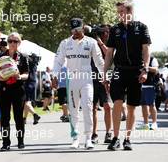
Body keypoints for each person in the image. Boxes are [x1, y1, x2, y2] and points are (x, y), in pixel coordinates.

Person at [103, 1, 151, 150]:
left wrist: (145, 69)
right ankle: (116, 138)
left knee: (131, 107)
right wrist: (105, 74)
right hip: (119, 70)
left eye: (122, 11)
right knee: (117, 103)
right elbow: (110, 53)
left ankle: (127, 139)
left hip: (136, 70)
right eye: (118, 12)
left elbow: (146, 50)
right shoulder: (115, 29)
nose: (120, 15)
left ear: (130, 12)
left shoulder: (141, 27)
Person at [52, 18, 104, 149]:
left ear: (83, 28)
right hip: (72, 79)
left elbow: (99, 61)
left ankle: (88, 138)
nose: (75, 32)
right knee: (73, 110)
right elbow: (58, 61)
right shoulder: (65, 43)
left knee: (87, 107)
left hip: (86, 79)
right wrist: (54, 76)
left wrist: (105, 76)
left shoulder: (91, 42)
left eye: (78, 30)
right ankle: (75, 138)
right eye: (73, 30)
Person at [0, 32, 29, 151]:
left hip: (18, 90)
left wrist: (19, 76)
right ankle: (6, 143)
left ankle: (20, 141)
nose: (12, 43)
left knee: (18, 117)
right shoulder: (1, 56)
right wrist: (2, 78)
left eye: (15, 41)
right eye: (10, 41)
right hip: (4, 90)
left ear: (19, 43)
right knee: (5, 117)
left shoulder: (23, 57)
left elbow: (27, 74)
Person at [86, 24, 112, 144]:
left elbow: (108, 54)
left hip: (105, 78)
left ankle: (108, 133)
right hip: (92, 78)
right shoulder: (91, 42)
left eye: (107, 32)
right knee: (93, 108)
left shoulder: (111, 43)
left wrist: (100, 42)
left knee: (107, 106)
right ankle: (94, 134)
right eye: (103, 32)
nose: (105, 34)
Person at [140, 56, 159, 130]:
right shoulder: (138, 58)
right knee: (143, 105)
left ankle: (154, 123)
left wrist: (146, 67)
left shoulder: (152, 59)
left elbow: (155, 69)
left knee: (151, 104)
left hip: (150, 85)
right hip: (141, 86)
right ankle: (146, 124)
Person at [23, 53, 41, 125]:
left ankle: (35, 114)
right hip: (33, 83)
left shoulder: (29, 63)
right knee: (28, 102)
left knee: (25, 102)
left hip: (28, 83)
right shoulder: (35, 64)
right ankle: (24, 119)